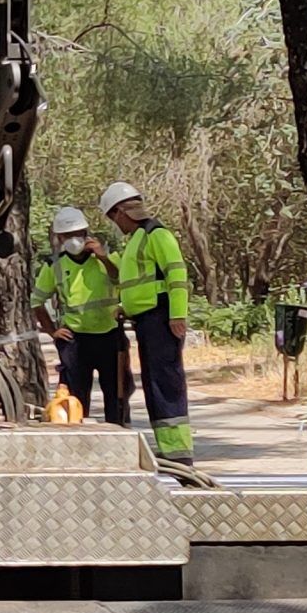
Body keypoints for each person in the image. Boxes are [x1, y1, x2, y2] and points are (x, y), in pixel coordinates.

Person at [106, 182, 194, 462]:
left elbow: (176, 274)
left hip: (161, 317)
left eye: (112, 217)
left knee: (166, 382)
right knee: (154, 382)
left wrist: (177, 315)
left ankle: (178, 451)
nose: (114, 224)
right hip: (146, 320)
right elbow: (137, 283)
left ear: (121, 212)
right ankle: (168, 447)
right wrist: (125, 307)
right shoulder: (136, 240)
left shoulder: (157, 234)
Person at [33, 204, 131, 426]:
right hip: (75, 340)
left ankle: (119, 431)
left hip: (109, 335)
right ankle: (78, 436)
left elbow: (122, 280)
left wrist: (104, 258)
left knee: (117, 393)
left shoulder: (107, 256)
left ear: (87, 233)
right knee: (75, 398)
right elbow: (37, 302)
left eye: (79, 234)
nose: (74, 239)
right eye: (68, 235)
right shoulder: (54, 265)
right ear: (59, 237)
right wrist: (52, 331)